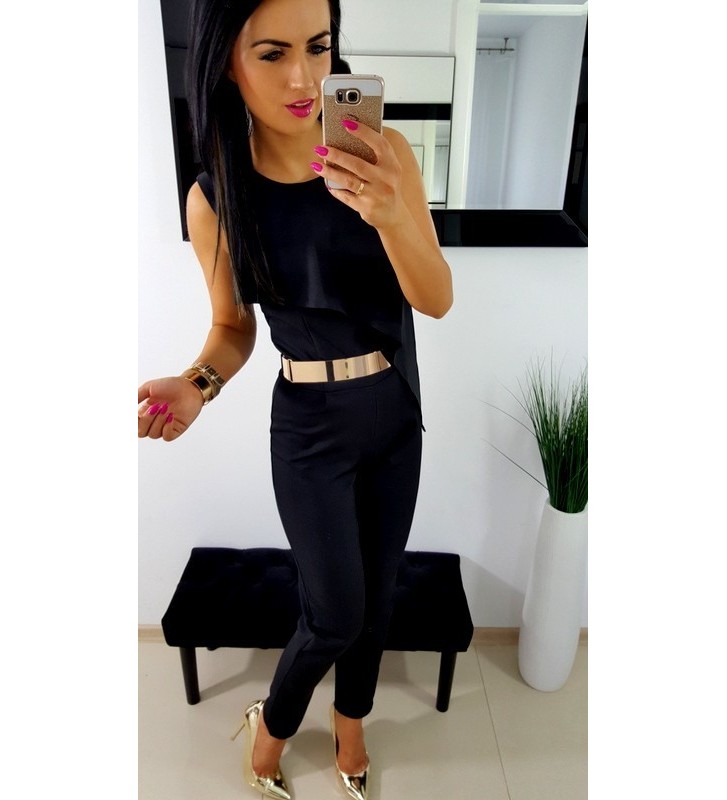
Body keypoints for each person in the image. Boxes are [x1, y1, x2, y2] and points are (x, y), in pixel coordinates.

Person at [138, 0, 453, 797]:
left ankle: (350, 730)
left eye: (318, 46)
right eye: (272, 53)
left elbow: (436, 299)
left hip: (393, 412)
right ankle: (272, 725)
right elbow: (230, 328)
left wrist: (390, 215)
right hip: (309, 428)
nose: (306, 77)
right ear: (226, 63)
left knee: (375, 604)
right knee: (334, 612)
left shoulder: (382, 154)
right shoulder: (216, 196)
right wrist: (197, 383)